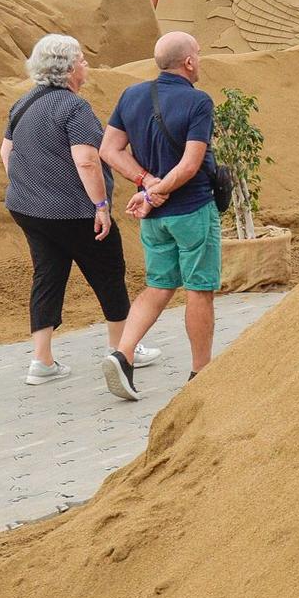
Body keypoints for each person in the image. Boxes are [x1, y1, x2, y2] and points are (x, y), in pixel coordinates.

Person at [0, 34, 159, 385]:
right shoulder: (74, 108)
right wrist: (100, 207)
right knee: (108, 272)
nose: (86, 67)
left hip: (28, 210)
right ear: (70, 68)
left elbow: (6, 153)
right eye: (83, 61)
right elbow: (87, 161)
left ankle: (41, 361)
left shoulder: (22, 103)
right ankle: (123, 350)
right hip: (72, 212)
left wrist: (30, 185)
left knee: (48, 275)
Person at [99, 31, 219, 401]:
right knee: (199, 290)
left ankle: (124, 352)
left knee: (158, 286)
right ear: (188, 62)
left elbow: (109, 149)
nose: (199, 59)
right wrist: (155, 189)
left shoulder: (132, 95)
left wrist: (145, 184)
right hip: (192, 211)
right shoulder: (198, 102)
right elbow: (190, 164)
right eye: (198, 53)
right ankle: (201, 373)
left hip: (153, 217)